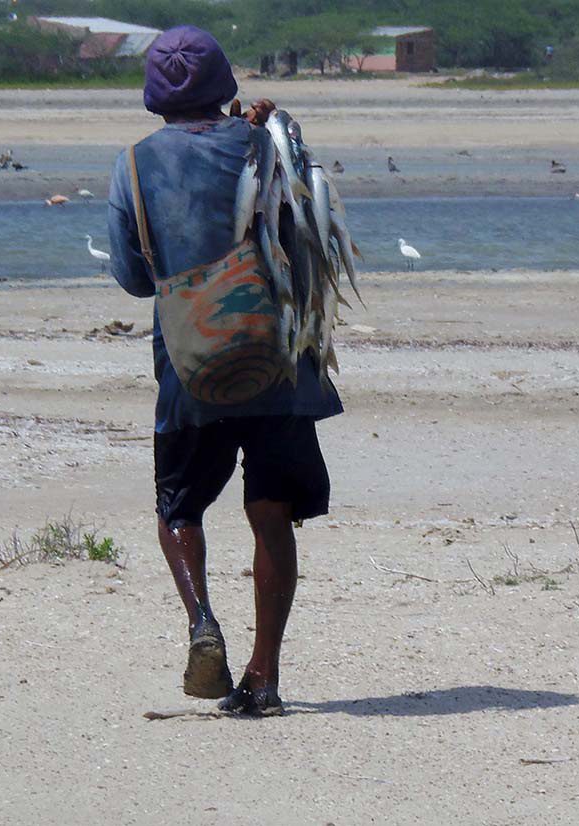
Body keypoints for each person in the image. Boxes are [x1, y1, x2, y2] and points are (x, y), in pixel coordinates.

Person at [108, 25, 342, 716]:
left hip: (190, 362)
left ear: (155, 97)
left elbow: (132, 279)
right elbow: (306, 230)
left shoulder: (132, 164)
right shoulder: (265, 142)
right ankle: (263, 677)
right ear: (226, 86)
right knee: (270, 510)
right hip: (278, 359)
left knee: (179, 505)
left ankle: (201, 620)